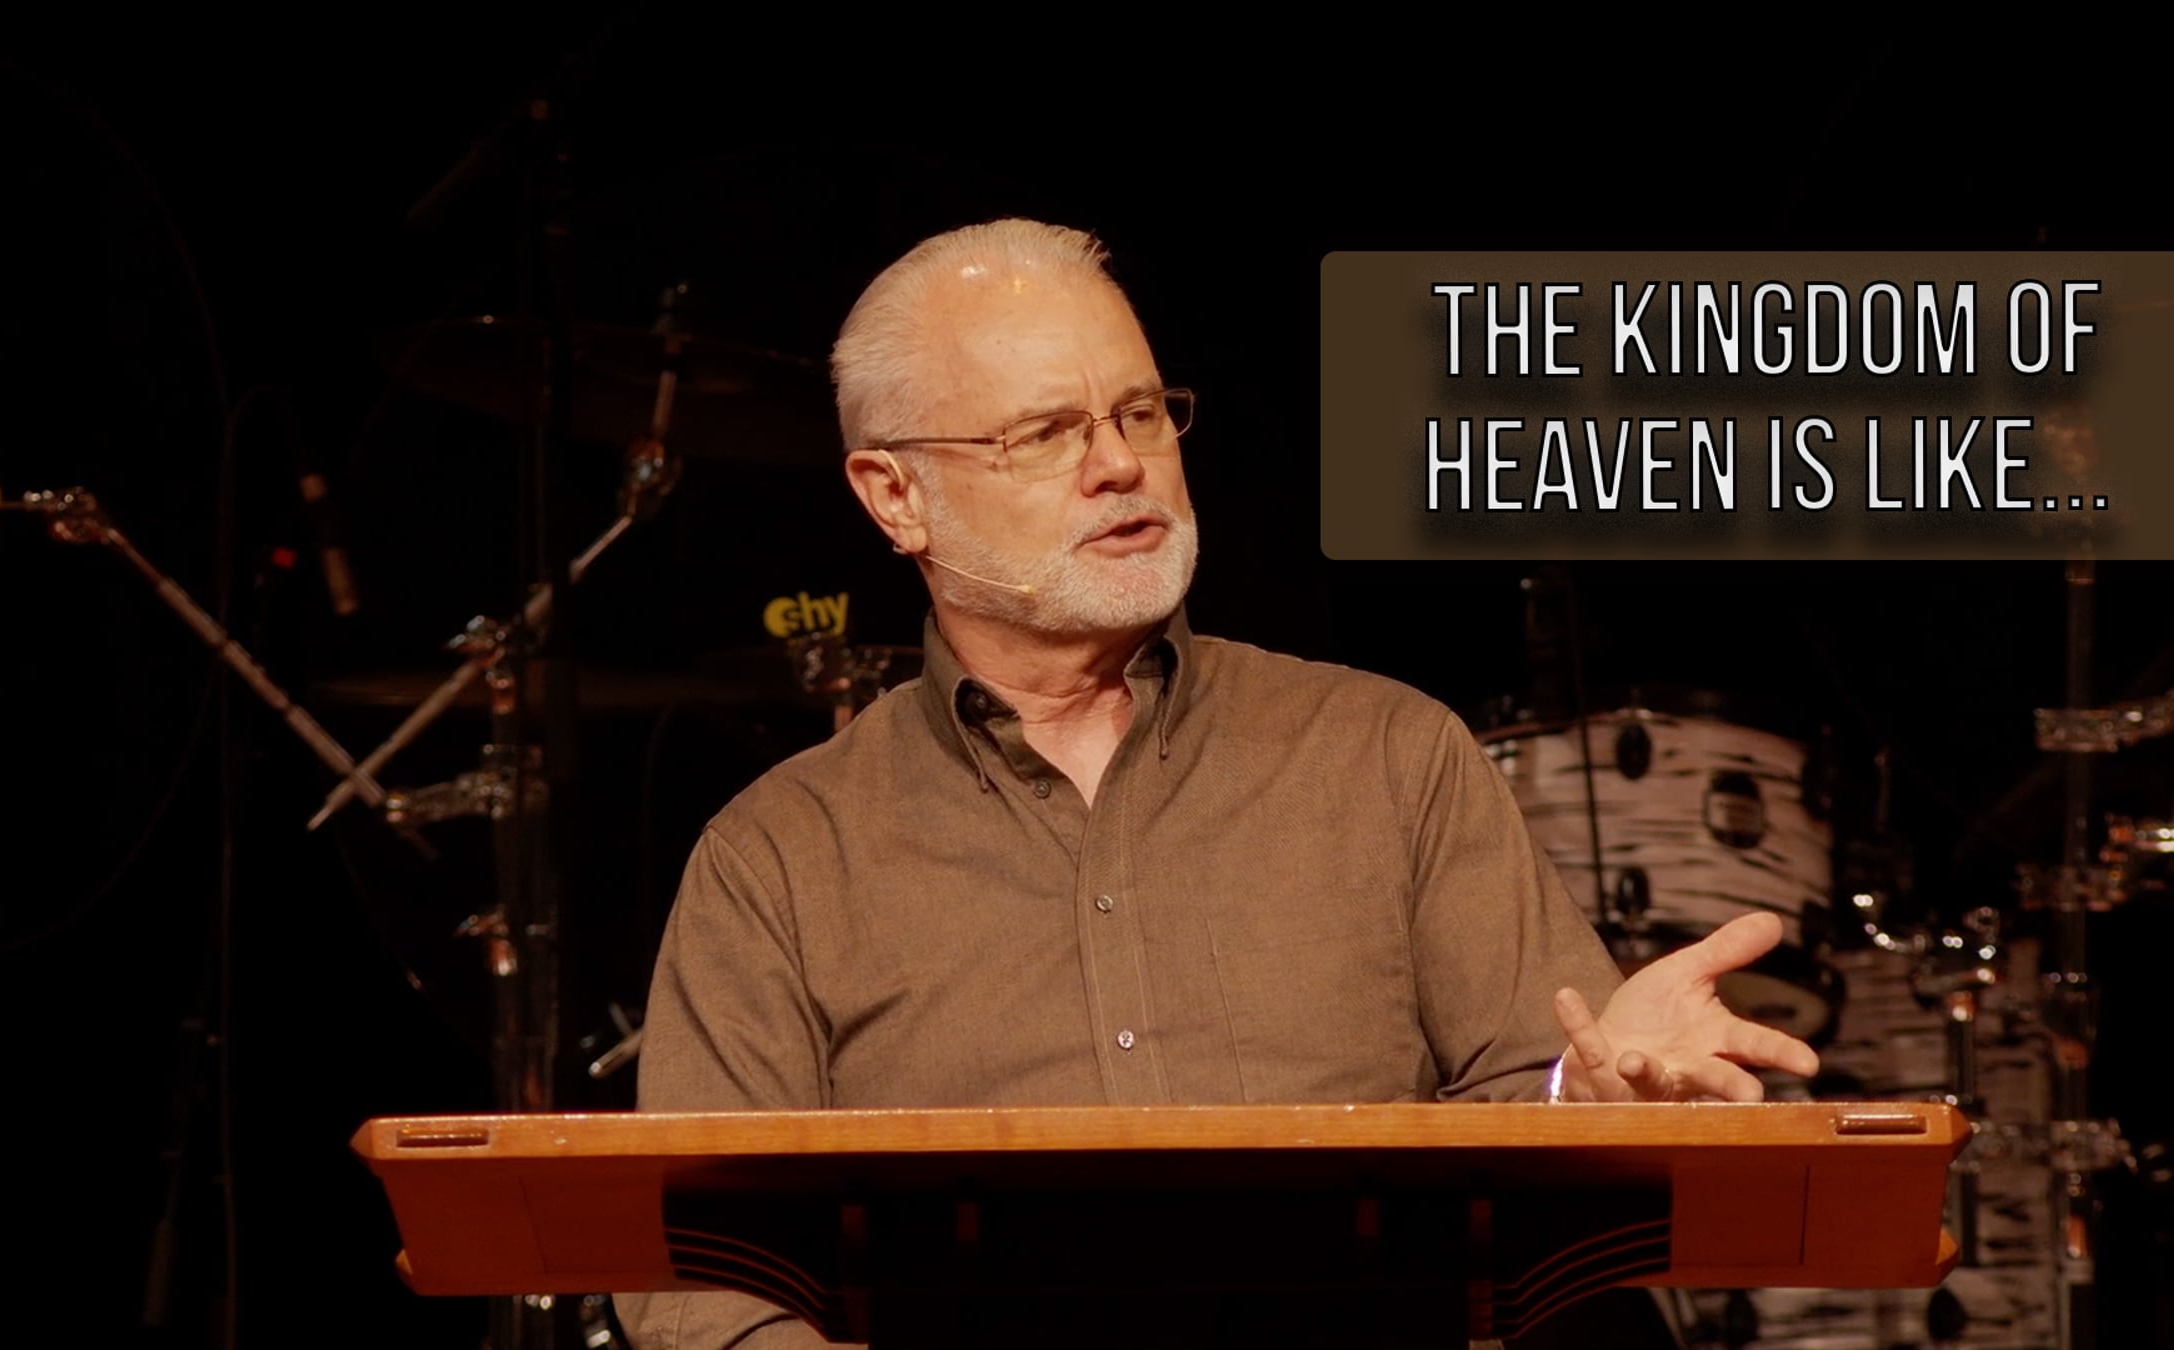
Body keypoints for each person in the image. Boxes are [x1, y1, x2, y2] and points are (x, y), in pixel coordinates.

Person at [613, 219, 1818, 1349]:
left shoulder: (1387, 754)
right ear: (896, 497)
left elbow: (1544, 1125)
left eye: (1141, 413)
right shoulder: (780, 856)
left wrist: (1589, 1096)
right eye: (1045, 433)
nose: (1119, 464)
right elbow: (697, 1277)